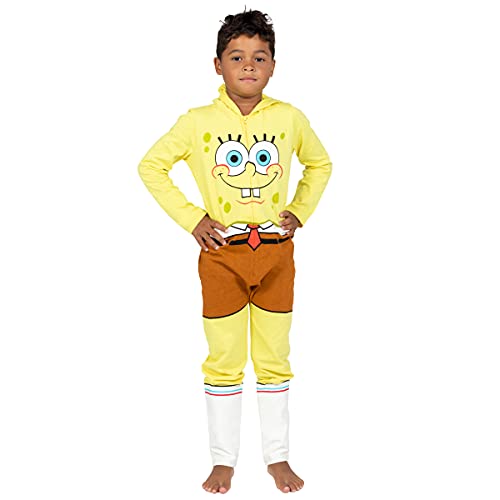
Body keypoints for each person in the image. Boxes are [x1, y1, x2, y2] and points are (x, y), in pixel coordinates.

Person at [137, 8, 332, 494]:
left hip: (276, 255)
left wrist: (299, 210)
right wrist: (193, 219)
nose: (248, 65)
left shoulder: (289, 118)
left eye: (259, 57)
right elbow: (151, 166)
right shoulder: (197, 121)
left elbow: (320, 164)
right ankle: (223, 460)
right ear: (217, 65)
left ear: (273, 66)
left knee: (274, 356)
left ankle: (277, 457)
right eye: (237, 56)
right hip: (221, 256)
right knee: (224, 357)